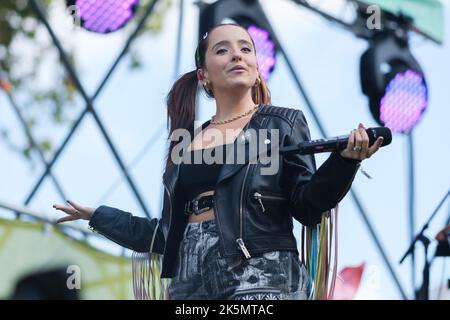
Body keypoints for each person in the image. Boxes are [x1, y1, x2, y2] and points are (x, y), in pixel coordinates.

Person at [53, 23, 384, 300]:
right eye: (222, 49)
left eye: (246, 48)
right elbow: (165, 235)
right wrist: (98, 216)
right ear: (204, 75)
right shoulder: (184, 142)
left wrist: (344, 162)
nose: (237, 54)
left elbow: (307, 205)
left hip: (259, 269)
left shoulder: (281, 123)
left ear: (256, 71)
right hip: (187, 276)